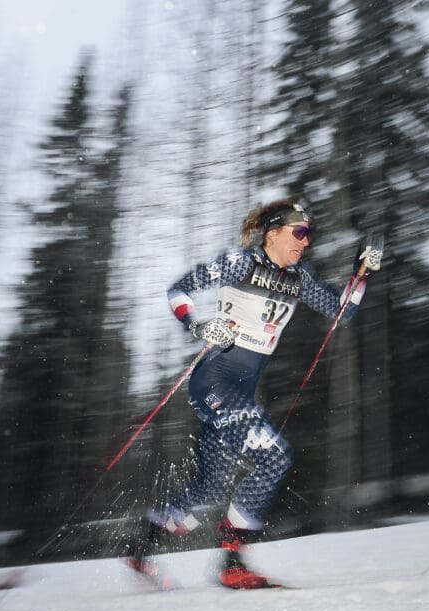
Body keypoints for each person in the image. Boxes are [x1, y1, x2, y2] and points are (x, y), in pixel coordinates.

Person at [124, 197, 383, 589]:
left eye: (309, 235)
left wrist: (361, 273)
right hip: (215, 382)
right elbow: (179, 290)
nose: (305, 242)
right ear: (274, 232)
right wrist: (198, 326)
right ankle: (232, 561)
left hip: (240, 392)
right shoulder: (239, 262)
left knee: (209, 483)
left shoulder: (300, 278)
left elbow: (343, 310)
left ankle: (141, 548)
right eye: (299, 233)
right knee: (274, 458)